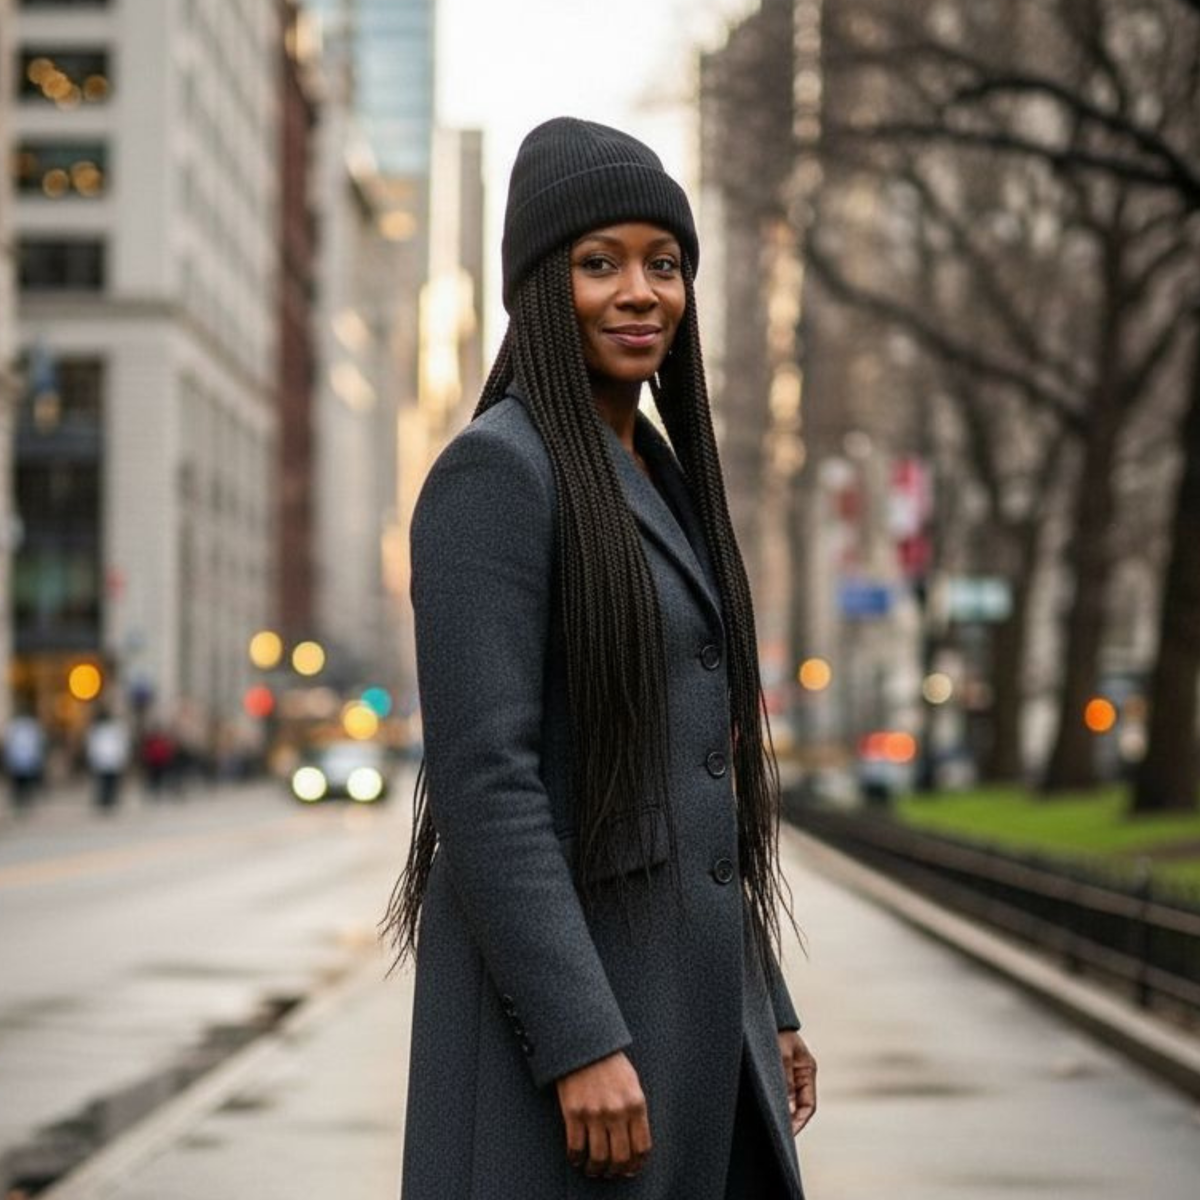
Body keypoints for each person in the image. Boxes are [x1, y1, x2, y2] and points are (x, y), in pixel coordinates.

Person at [383, 117, 817, 1199]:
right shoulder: (496, 475)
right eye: (599, 263)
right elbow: (488, 784)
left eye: (663, 264)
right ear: (540, 285)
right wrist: (578, 1039)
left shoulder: (665, 481)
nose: (641, 292)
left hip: (689, 1016)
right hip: (576, 1044)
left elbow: (686, 783)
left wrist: (768, 1009)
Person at [86, 707, 130, 811]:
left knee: (107, 781)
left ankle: (108, 798)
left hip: (107, 760)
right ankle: (106, 799)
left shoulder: (101, 730)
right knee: (107, 781)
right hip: (107, 760)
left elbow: (93, 746)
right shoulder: (104, 730)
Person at [4, 706, 46, 812]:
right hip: (23, 759)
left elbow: (9, 743)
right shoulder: (28, 726)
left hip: (21, 759)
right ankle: (23, 801)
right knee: (23, 782)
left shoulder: (16, 726)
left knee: (21, 782)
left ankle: (21, 801)